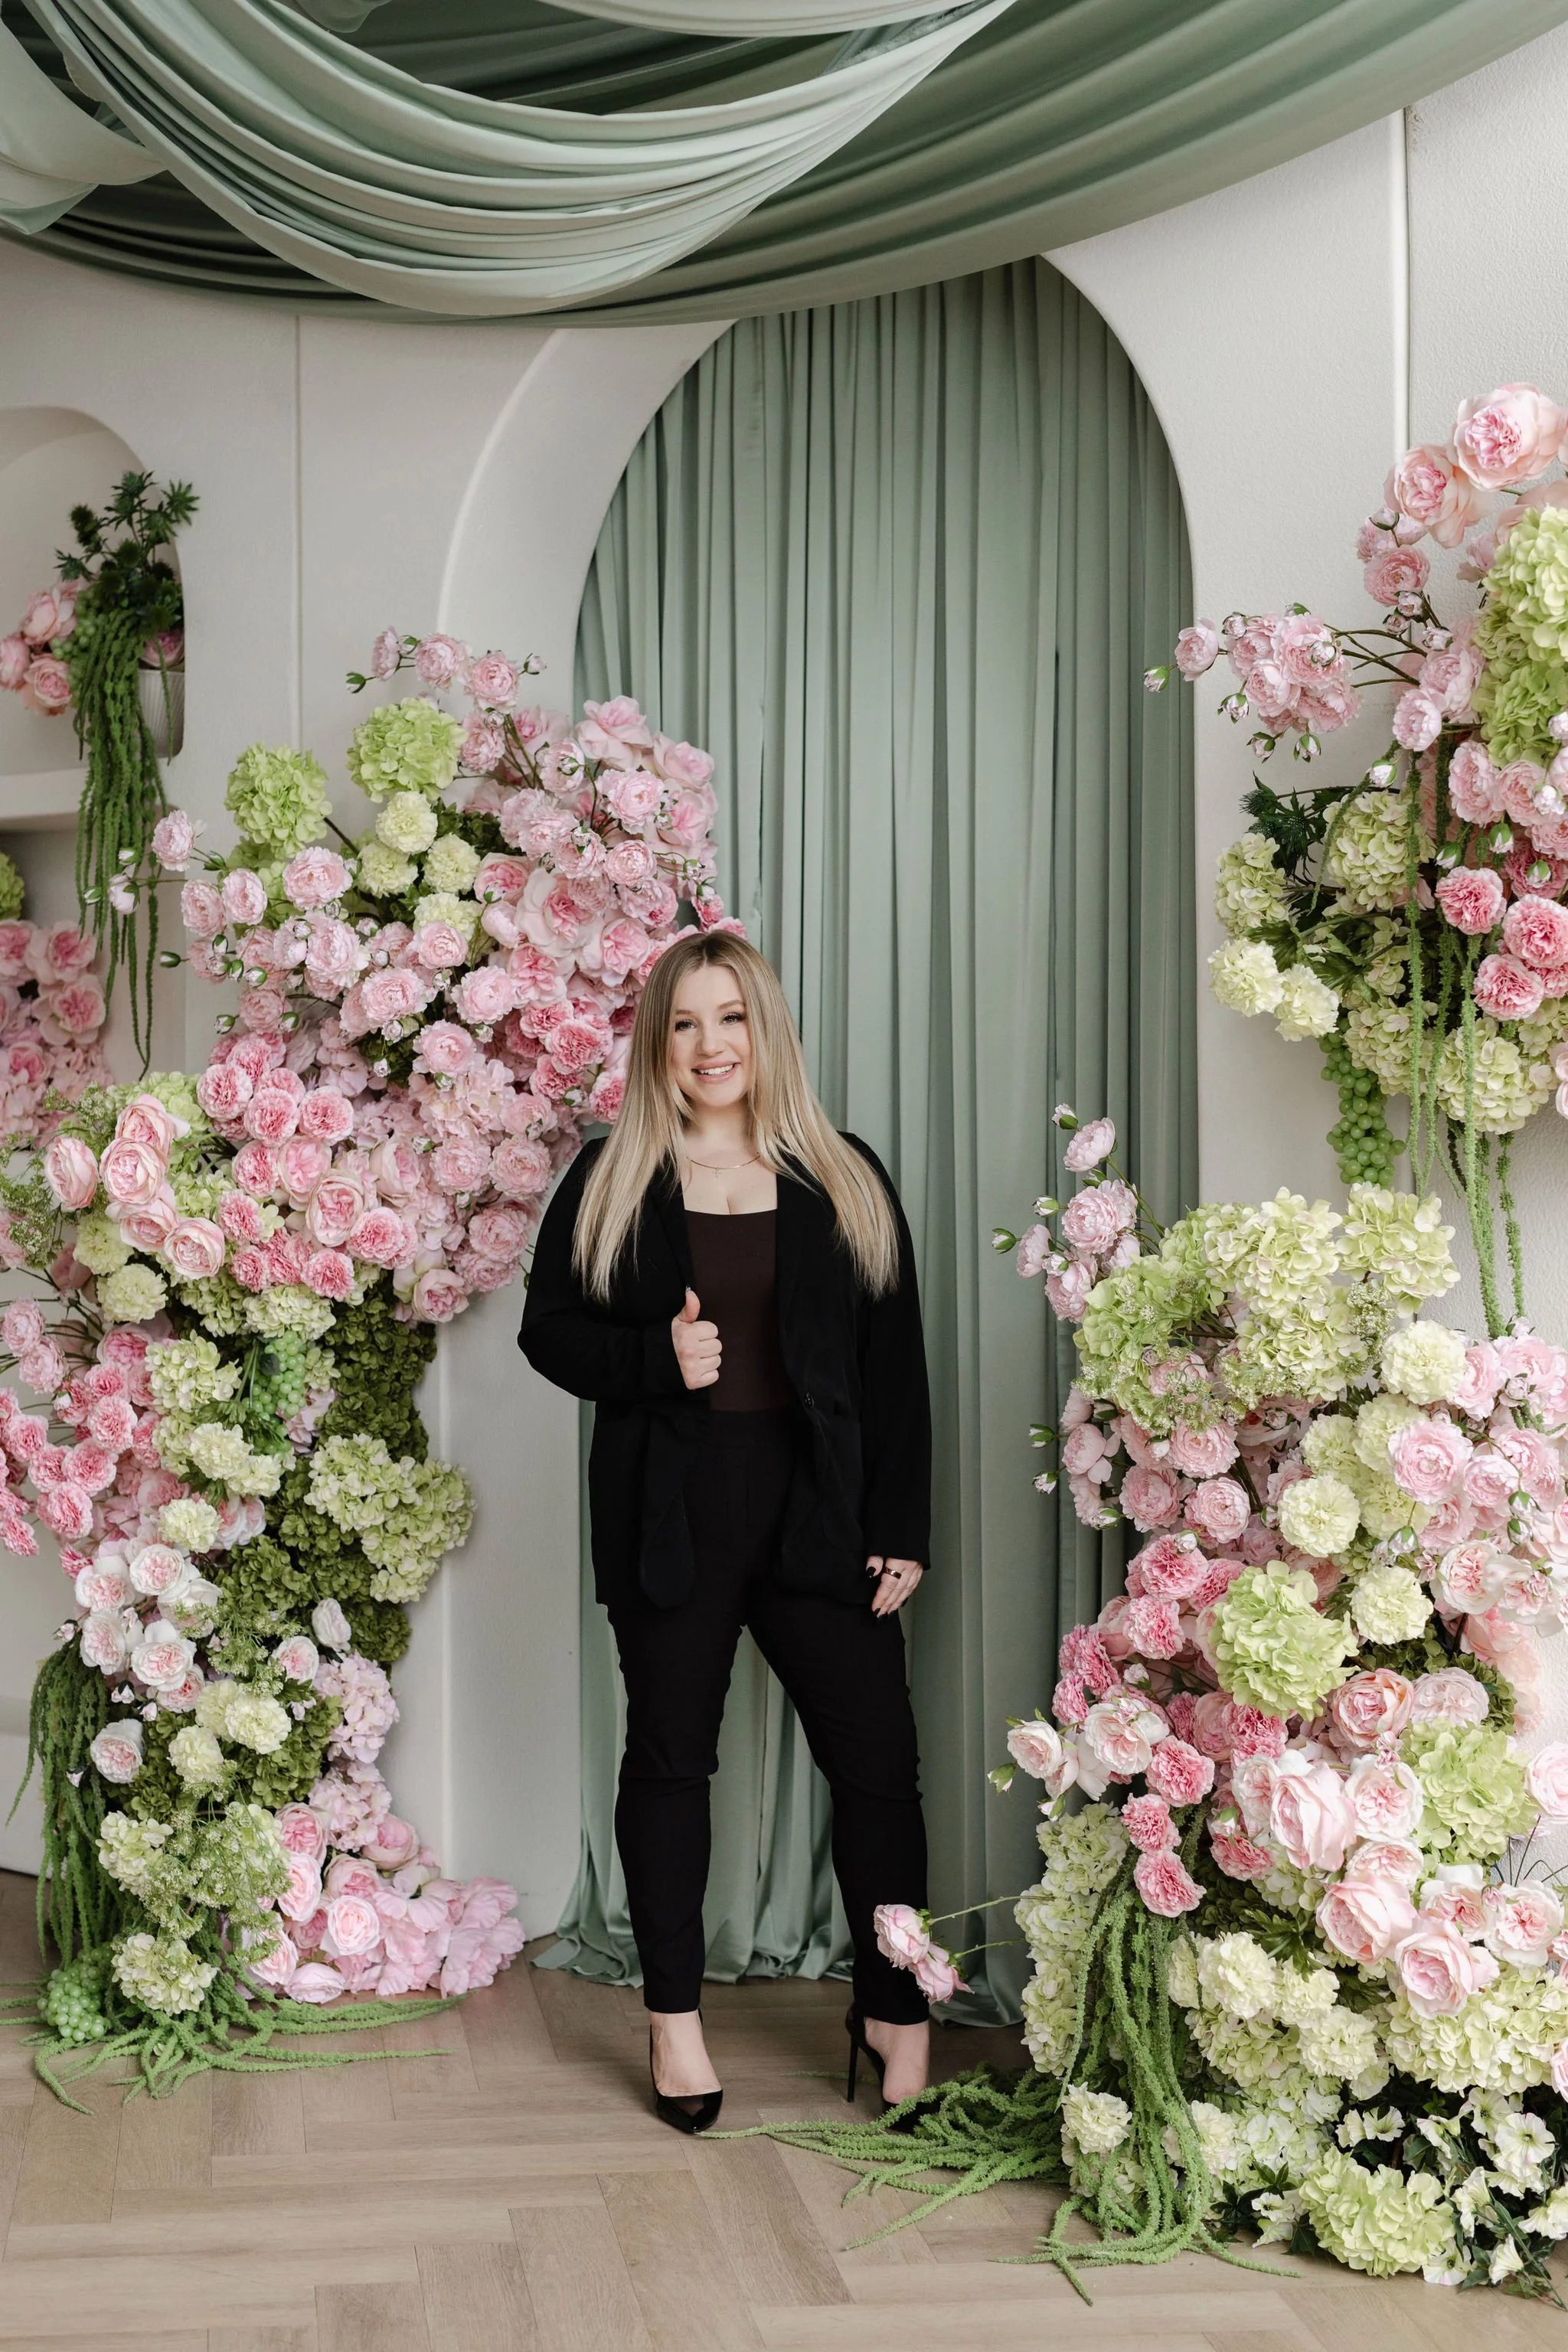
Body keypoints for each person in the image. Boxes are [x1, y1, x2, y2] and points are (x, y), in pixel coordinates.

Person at [519, 928, 933, 2133]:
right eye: (687, 1023)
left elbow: (893, 1364)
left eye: (732, 1019)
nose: (711, 1046)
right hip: (674, 1517)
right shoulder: (613, 1177)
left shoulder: (842, 1174)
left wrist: (900, 1524)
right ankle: (673, 2023)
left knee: (879, 1774)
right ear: (661, 1041)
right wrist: (657, 1359)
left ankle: (894, 2009)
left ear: (766, 1032)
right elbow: (549, 1333)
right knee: (669, 1764)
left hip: (824, 1516)